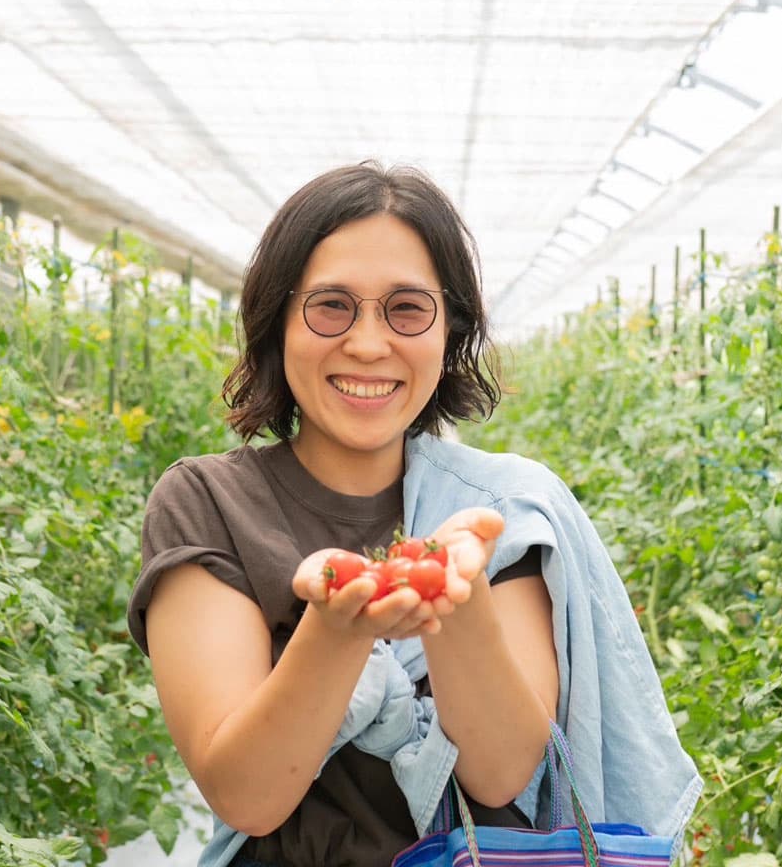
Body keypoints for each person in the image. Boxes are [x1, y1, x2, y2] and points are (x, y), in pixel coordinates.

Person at [127, 162, 702, 867]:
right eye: (331, 305)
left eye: (407, 308)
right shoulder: (207, 503)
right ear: (276, 321)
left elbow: (500, 773)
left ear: (449, 331)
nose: (369, 343)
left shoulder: (502, 511)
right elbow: (246, 796)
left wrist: (456, 601)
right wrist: (336, 629)